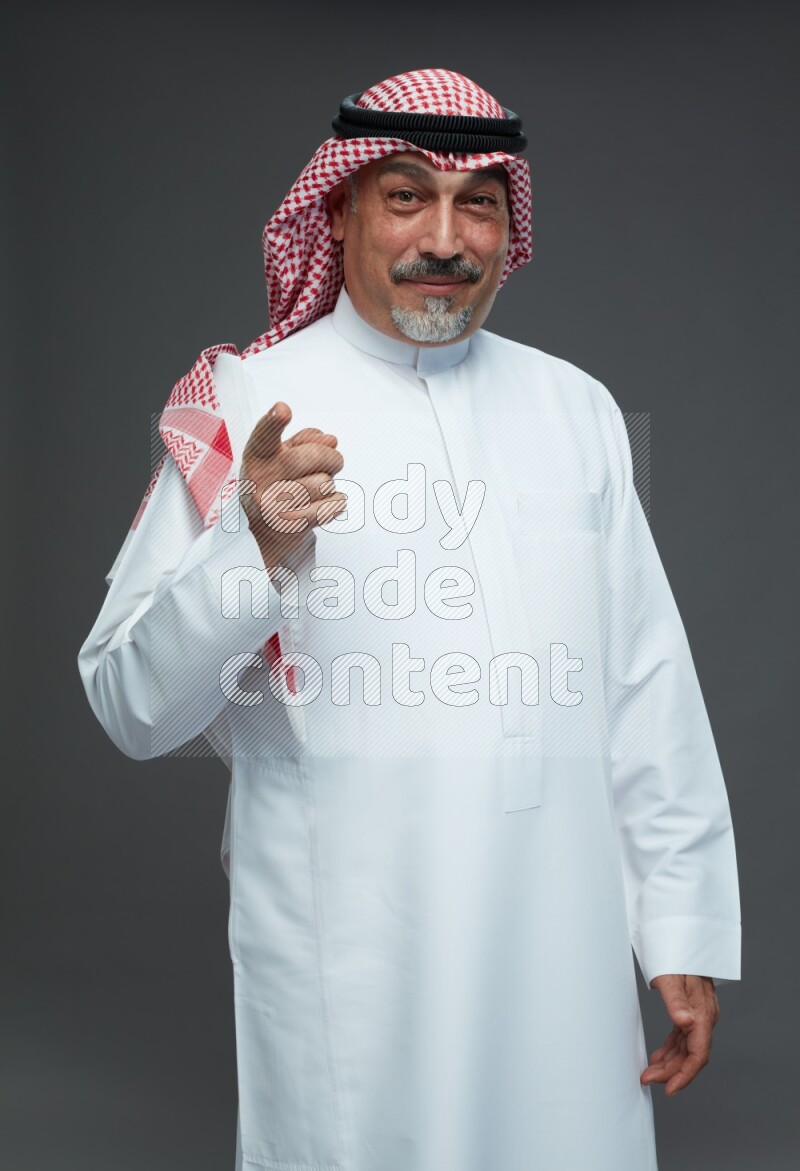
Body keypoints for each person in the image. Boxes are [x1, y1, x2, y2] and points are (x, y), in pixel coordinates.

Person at [78, 68, 742, 1171]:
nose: (445, 238)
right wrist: (253, 545)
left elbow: (643, 682)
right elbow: (128, 704)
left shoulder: (573, 408)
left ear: (508, 224)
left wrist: (675, 923)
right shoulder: (242, 406)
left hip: (559, 940)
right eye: (404, 196)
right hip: (355, 950)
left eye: (476, 201)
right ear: (336, 213)